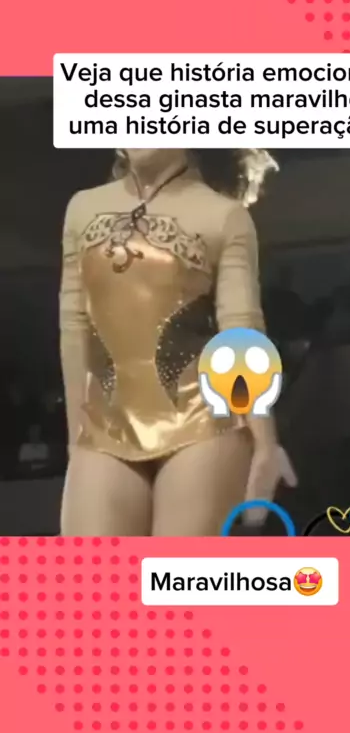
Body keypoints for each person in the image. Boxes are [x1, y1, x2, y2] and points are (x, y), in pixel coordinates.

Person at [59, 148, 296, 535]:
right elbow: (74, 327)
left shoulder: (223, 215)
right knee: (92, 573)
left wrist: (265, 442)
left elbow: (240, 329)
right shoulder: (82, 208)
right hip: (105, 428)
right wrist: (75, 442)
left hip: (202, 424)